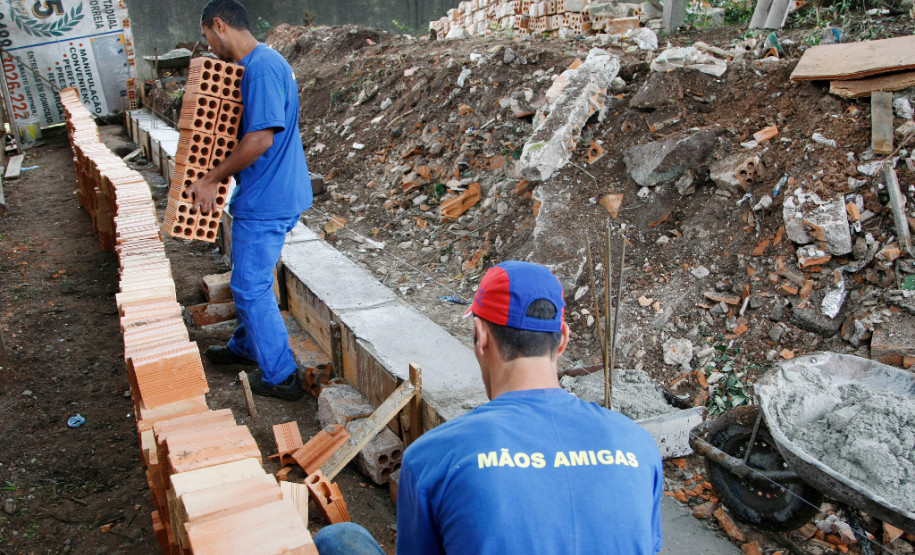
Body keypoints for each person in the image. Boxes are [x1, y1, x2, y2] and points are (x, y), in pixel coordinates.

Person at [314, 261, 664, 554]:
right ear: (563, 339)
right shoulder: (638, 445)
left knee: (337, 540)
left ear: (481, 336)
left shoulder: (433, 457)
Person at [190, 0, 311, 400]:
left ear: (219, 25)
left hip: (267, 199)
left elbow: (261, 138)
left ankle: (282, 378)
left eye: (207, 36)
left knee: (250, 286)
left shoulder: (259, 69)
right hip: (275, 190)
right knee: (250, 277)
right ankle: (245, 345)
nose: (208, 45)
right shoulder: (267, 62)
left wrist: (211, 178)